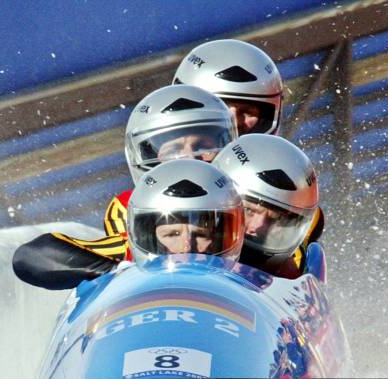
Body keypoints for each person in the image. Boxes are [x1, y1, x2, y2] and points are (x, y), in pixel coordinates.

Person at [13, 86, 237, 289]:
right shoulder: (132, 208)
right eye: (173, 150)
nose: (190, 158)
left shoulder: (252, 199)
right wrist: (115, 272)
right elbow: (32, 257)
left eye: (203, 147)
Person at [213, 134, 322, 279]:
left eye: (276, 220)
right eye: (248, 210)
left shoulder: (290, 280)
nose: (257, 227)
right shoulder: (181, 241)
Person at [128, 158, 244, 265]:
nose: (187, 248)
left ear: (219, 240)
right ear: (147, 238)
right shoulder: (121, 283)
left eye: (201, 235)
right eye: (173, 234)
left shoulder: (248, 282)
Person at [173, 39, 283, 136]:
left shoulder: (288, 159)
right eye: (219, 108)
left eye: (247, 111)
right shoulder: (163, 156)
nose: (233, 122)